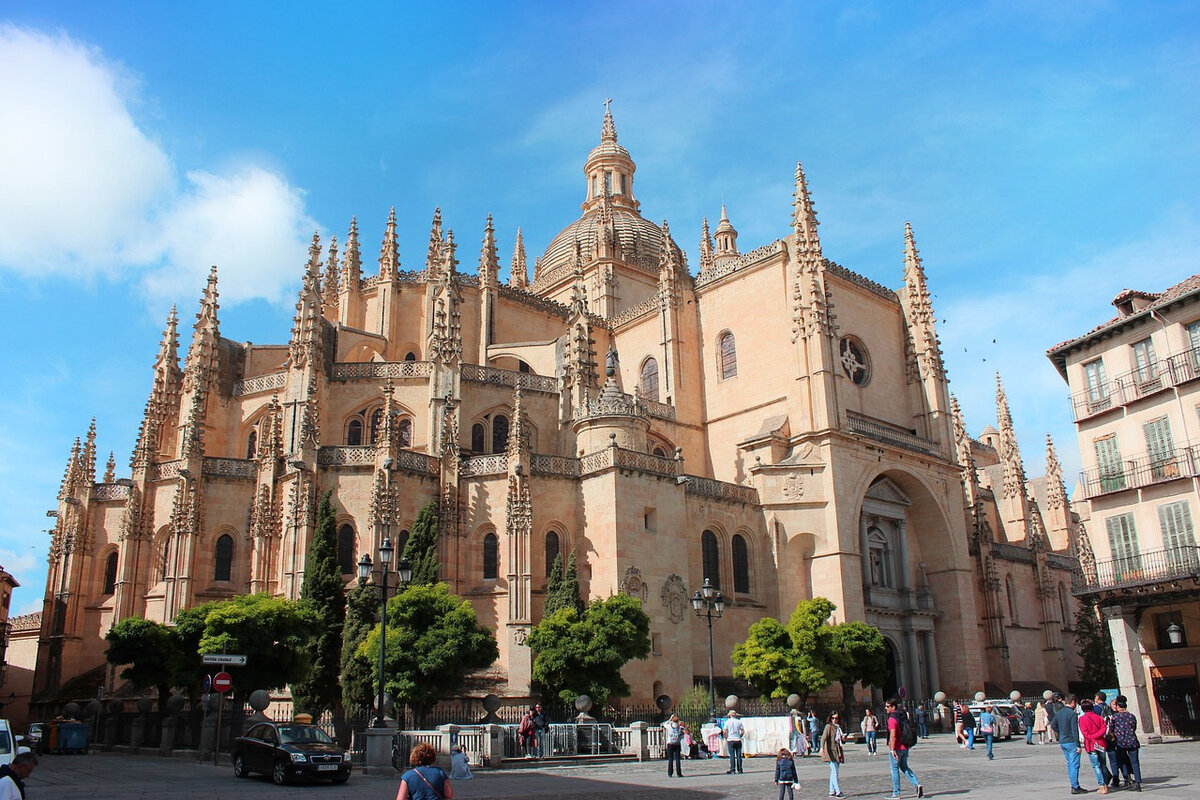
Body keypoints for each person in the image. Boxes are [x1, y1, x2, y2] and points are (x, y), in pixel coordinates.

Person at [885, 697, 922, 799]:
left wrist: (892, 749)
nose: (886, 708)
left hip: (896, 747)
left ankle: (896, 793)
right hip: (905, 746)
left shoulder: (892, 718)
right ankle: (917, 784)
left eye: (888, 706)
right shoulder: (903, 715)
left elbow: (893, 735)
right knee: (904, 766)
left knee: (895, 769)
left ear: (893, 707)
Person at [1049, 693, 1086, 795]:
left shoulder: (1059, 713)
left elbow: (1053, 725)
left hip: (1063, 741)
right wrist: (1078, 745)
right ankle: (1075, 786)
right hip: (1071, 741)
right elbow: (1075, 730)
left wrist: (1060, 733)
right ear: (1073, 702)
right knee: (1074, 765)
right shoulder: (1072, 714)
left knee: (1070, 764)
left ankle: (1074, 784)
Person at [1078, 699, 1111, 794]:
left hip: (1091, 744)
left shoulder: (1082, 719)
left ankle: (1102, 784)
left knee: (1096, 765)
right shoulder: (1099, 717)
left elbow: (1085, 733)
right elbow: (1104, 728)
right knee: (1103, 764)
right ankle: (1105, 783)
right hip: (1100, 743)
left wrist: (1092, 738)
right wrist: (1097, 736)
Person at [1111, 697, 1142, 792]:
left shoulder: (1115, 717)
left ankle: (1127, 778)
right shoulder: (1131, 716)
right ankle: (1138, 782)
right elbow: (1134, 727)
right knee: (1135, 763)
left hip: (1121, 742)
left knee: (1123, 761)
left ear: (1118, 706)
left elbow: (1111, 729)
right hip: (1132, 741)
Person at [819, 710, 846, 798]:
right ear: (830, 718)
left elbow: (839, 740)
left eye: (837, 718)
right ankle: (838, 792)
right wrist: (821, 748)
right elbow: (823, 738)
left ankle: (831, 791)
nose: (835, 720)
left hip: (837, 751)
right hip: (830, 752)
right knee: (834, 772)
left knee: (834, 772)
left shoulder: (838, 728)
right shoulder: (828, 727)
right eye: (833, 718)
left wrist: (843, 739)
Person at [724, 709, 745, 774]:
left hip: (730, 739)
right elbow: (742, 731)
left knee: (732, 755)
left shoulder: (727, 722)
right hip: (737, 739)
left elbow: (725, 731)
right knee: (739, 755)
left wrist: (725, 737)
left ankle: (732, 769)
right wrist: (740, 736)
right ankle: (740, 769)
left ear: (730, 715)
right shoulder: (739, 721)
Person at [664, 713, 684, 777]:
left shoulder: (670, 726)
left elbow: (664, 724)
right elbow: (683, 734)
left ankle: (670, 773)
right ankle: (679, 773)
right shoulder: (680, 727)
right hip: (677, 744)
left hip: (670, 743)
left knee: (670, 759)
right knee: (678, 759)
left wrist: (670, 719)